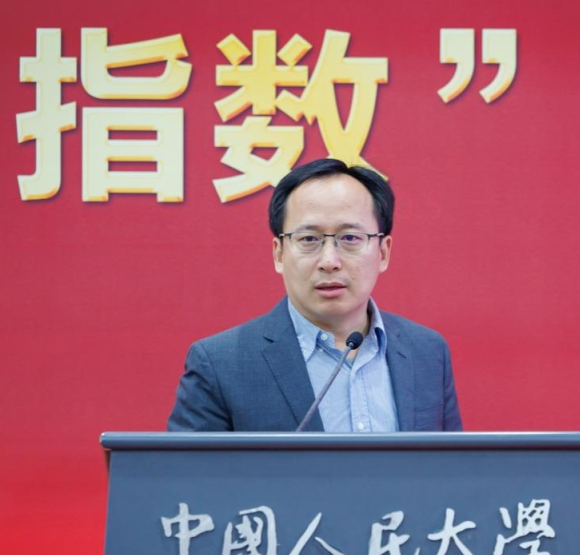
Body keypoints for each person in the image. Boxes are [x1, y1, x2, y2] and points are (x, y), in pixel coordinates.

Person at [167, 158, 462, 432]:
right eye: (309, 239)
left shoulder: (427, 352)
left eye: (350, 238)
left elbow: (452, 468)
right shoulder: (220, 364)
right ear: (279, 254)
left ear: (383, 252)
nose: (329, 261)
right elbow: (189, 472)